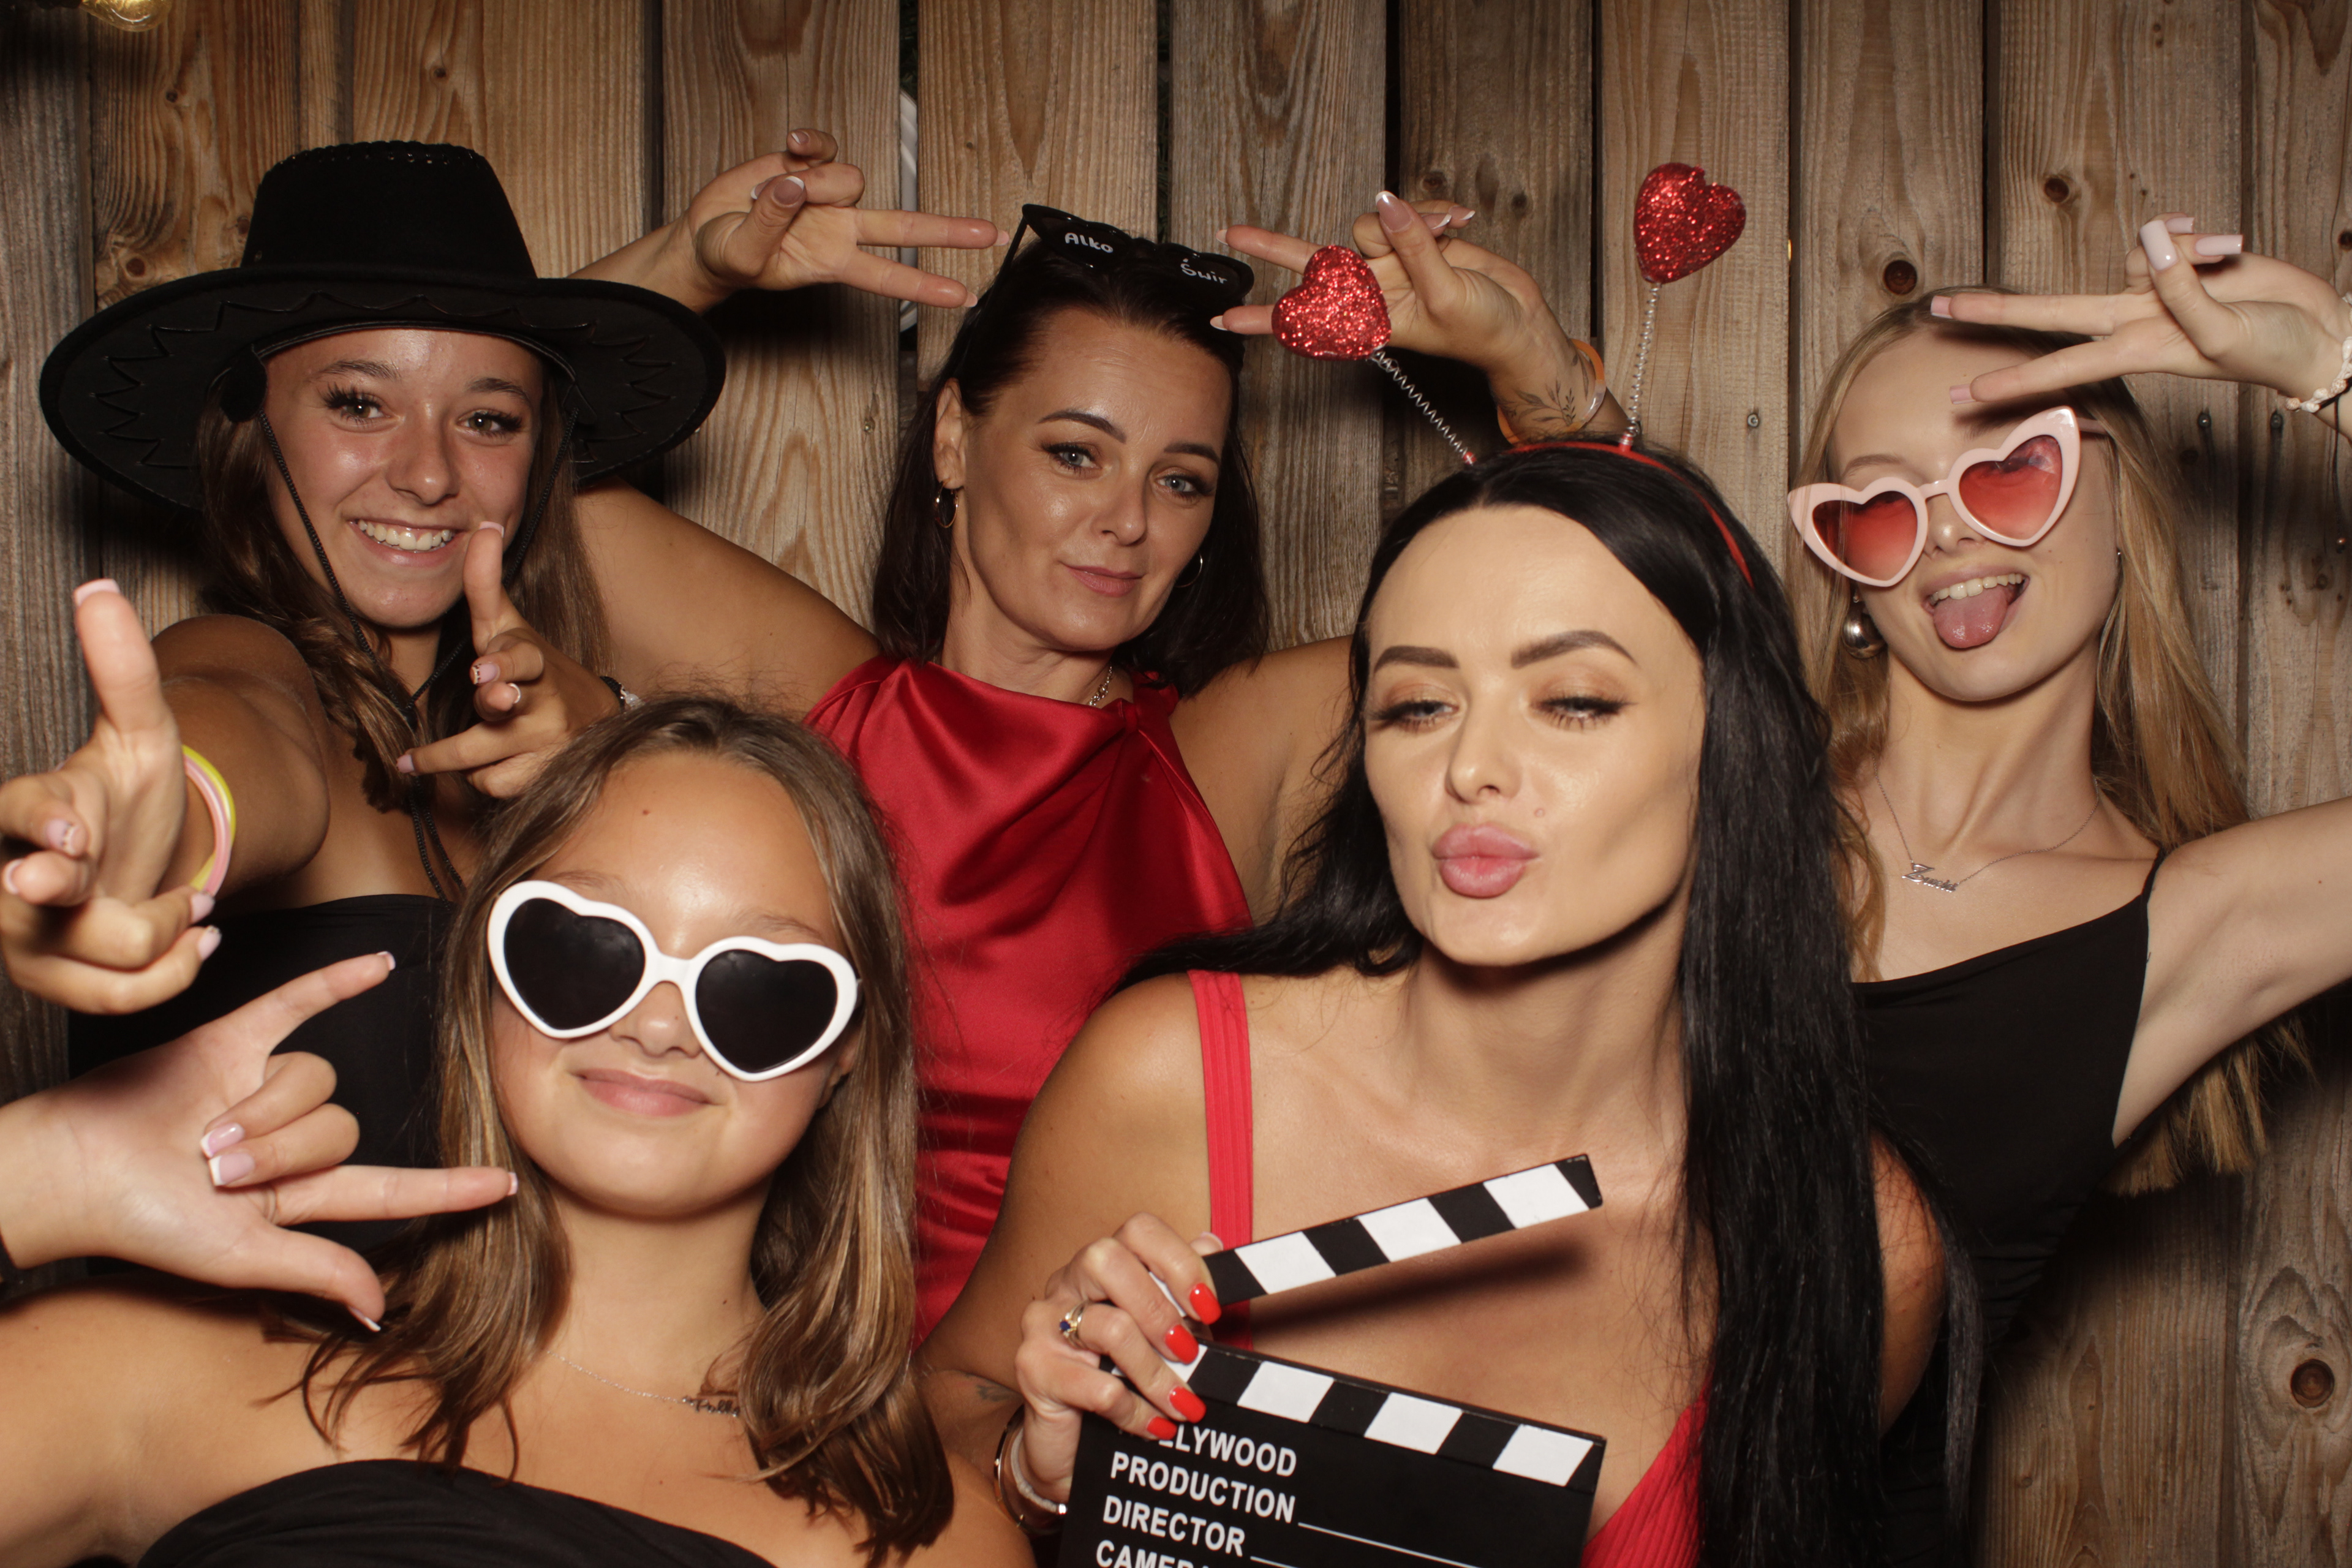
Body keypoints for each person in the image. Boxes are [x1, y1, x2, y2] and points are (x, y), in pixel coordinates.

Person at [568, 190, 1618, 1335]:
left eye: (1180, 480)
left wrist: (1533, 370)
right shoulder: (824, 702)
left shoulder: (1226, 754)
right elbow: (488, 462)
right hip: (768, 1387)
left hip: (1096, 1410)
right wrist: (688, 268)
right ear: (956, 438)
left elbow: (1625, 611)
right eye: (1077, 454)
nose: (1128, 521)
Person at [922, 443, 1947, 1568]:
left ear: (1735, 742)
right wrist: (1038, 1471)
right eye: (1416, 707)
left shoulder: (1850, 1230)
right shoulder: (1177, 1078)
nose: (1471, 767)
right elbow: (948, 1413)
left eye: (1574, 701)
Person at [1, 137, 994, 1205]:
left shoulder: (565, 729)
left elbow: (892, 748)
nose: (429, 473)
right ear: (249, 425)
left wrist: (609, 737)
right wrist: (145, 830)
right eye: (358, 403)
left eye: (487, 421)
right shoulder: (245, 662)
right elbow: (223, 733)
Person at [0, 696, 1028, 1568]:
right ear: (486, 973)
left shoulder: (927, 1543)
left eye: (757, 985)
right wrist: (45, 1174)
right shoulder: (181, 1380)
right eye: (584, 946)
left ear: (845, 1049)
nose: (658, 1027)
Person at [1785, 215, 2352, 1559]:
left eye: (2012, 469)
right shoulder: (1708, 789)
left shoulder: (2196, 929)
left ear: (2121, 497)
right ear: (1845, 565)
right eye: (1882, 503)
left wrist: (2336, 367)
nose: (1947, 536)